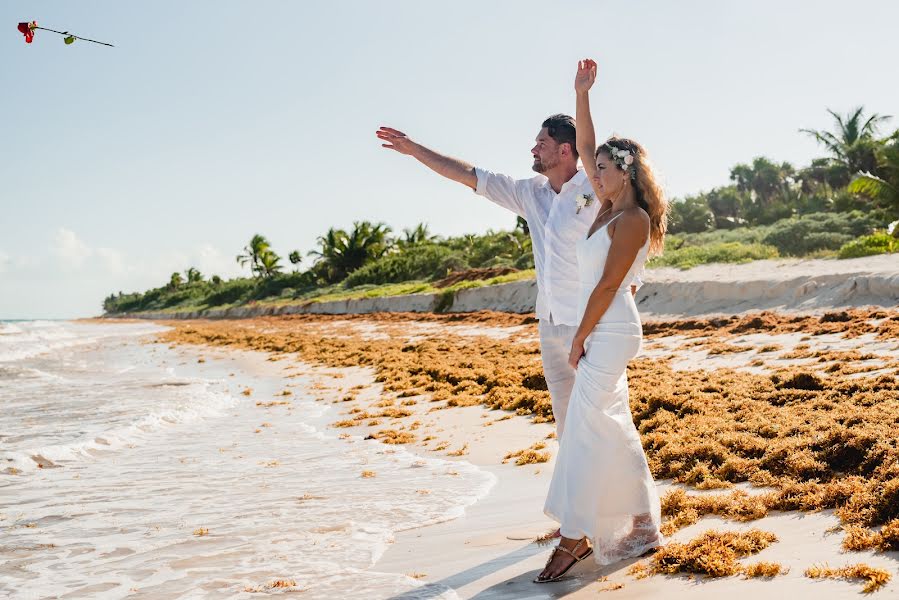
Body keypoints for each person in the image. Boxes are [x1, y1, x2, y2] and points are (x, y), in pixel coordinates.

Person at [376, 117, 642, 444]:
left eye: (541, 143)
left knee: (601, 414)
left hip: (590, 323)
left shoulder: (596, 187)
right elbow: (468, 175)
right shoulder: (529, 193)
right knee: (564, 418)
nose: (533, 148)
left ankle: (614, 486)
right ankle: (574, 491)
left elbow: (624, 244)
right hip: (550, 323)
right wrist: (414, 149)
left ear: (564, 150)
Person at [535, 59, 668, 583]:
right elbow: (587, 145)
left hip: (611, 331)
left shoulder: (631, 218)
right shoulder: (606, 208)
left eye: (605, 170)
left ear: (626, 174)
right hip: (602, 328)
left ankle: (574, 538)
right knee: (607, 427)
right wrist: (581, 94)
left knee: (587, 430)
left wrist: (580, 338)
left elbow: (609, 287)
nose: (595, 174)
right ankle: (638, 523)